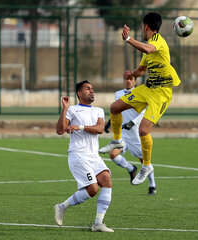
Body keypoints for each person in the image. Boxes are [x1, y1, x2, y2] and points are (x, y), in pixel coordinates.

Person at [100, 12, 181, 185]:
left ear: (145, 26)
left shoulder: (158, 40)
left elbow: (148, 49)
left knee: (143, 130)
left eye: (141, 27)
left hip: (162, 93)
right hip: (148, 88)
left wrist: (128, 39)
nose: (141, 30)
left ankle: (146, 166)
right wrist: (132, 73)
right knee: (115, 107)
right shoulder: (149, 45)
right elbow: (141, 71)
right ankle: (117, 141)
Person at [54, 80, 114, 233]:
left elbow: (100, 129)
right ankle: (62, 207)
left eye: (92, 89)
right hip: (78, 155)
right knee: (93, 189)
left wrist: (79, 127)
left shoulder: (98, 111)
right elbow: (60, 130)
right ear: (79, 93)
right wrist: (65, 109)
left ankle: (98, 224)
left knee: (106, 179)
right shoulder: (72, 110)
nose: (92, 91)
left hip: (94, 156)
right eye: (88, 89)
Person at [100, 75, 157, 195]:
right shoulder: (118, 93)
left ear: (135, 81)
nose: (128, 81)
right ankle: (131, 168)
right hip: (122, 133)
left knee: (144, 161)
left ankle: (152, 185)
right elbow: (116, 110)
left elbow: (143, 113)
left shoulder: (140, 93)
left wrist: (132, 123)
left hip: (135, 133)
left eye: (131, 79)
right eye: (126, 78)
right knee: (113, 155)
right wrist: (109, 123)